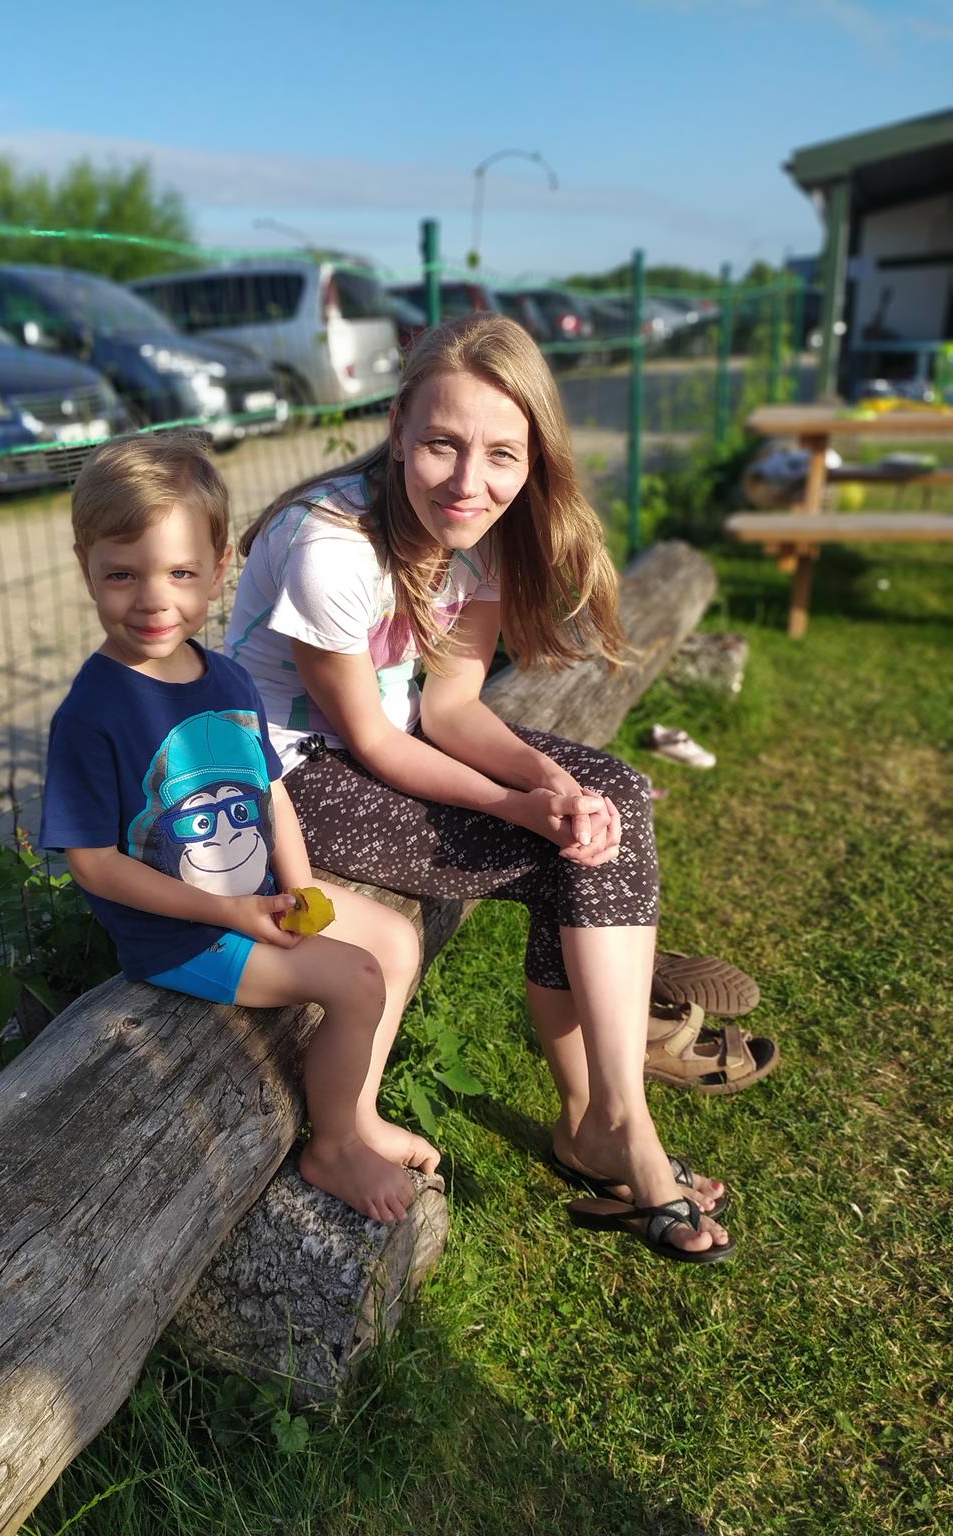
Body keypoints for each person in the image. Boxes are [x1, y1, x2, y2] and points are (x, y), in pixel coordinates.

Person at [224, 313, 734, 1263]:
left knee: (611, 794)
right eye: (442, 445)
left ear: (534, 456)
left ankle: (604, 1115)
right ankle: (614, 1124)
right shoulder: (329, 547)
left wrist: (553, 782)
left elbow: (452, 708)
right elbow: (373, 739)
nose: (469, 482)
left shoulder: (483, 530)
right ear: (397, 429)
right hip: (281, 779)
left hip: (378, 747)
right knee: (559, 851)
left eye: (502, 454)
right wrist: (520, 808)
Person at [39, 432, 438, 1224]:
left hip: (251, 901)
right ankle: (332, 1147)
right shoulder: (91, 712)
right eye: (122, 574)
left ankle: (357, 1115)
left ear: (220, 568)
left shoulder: (225, 678)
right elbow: (93, 864)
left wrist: (302, 890)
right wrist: (232, 912)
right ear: (85, 567)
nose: (154, 600)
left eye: (181, 573)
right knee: (357, 979)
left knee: (394, 942)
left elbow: (272, 792)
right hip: (179, 936)